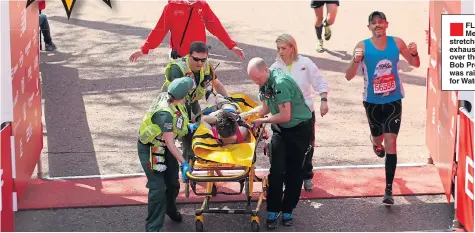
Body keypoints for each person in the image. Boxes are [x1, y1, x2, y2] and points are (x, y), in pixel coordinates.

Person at [344, 11, 420, 205]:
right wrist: (355, 60)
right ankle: (375, 143)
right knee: (379, 140)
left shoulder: (397, 43)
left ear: (387, 24)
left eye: (381, 22)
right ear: (369, 27)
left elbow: (415, 63)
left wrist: (414, 53)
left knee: (391, 141)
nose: (377, 25)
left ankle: (388, 190)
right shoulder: (362, 46)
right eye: (373, 23)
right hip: (372, 102)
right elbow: (348, 76)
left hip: (394, 100)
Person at [240, 57, 314, 229]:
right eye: (254, 80)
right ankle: (273, 209)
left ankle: (288, 209)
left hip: (299, 129)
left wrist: (262, 121)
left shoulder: (280, 83)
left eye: (258, 78)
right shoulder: (264, 83)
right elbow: (265, 108)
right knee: (276, 170)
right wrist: (244, 115)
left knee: (294, 171)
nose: (257, 82)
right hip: (281, 129)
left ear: (266, 70)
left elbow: (285, 115)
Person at [270, 33, 329, 191]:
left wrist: (324, 100)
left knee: (308, 145)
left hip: (306, 113)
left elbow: (319, 81)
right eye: (278, 48)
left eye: (283, 48)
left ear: (292, 48)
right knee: (285, 147)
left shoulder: (305, 63)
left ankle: (307, 175)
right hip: (285, 115)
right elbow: (267, 90)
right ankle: (285, 178)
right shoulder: (275, 68)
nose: (280, 51)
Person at [137, 77, 196, 231]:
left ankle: (170, 208)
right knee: (158, 188)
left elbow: (179, 121)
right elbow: (170, 143)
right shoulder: (165, 115)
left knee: (172, 183)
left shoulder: (173, 101)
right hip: (151, 149)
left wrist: (189, 126)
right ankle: (153, 228)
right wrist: (184, 163)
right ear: (182, 95)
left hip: (164, 146)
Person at [163, 41, 228, 162]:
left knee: (198, 130)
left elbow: (216, 83)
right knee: (186, 135)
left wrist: (228, 99)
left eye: (203, 60)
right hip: (174, 103)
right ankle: (186, 167)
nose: (200, 63)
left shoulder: (207, 65)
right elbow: (177, 97)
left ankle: (197, 160)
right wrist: (188, 120)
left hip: (191, 101)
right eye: (196, 59)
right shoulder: (177, 69)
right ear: (189, 55)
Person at [129, 0, 245, 61]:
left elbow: (216, 27)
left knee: (200, 92)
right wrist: (144, 50)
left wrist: (231, 46)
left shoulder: (202, 6)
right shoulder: (172, 7)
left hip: (199, 58)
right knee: (179, 94)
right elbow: (159, 30)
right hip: (179, 59)